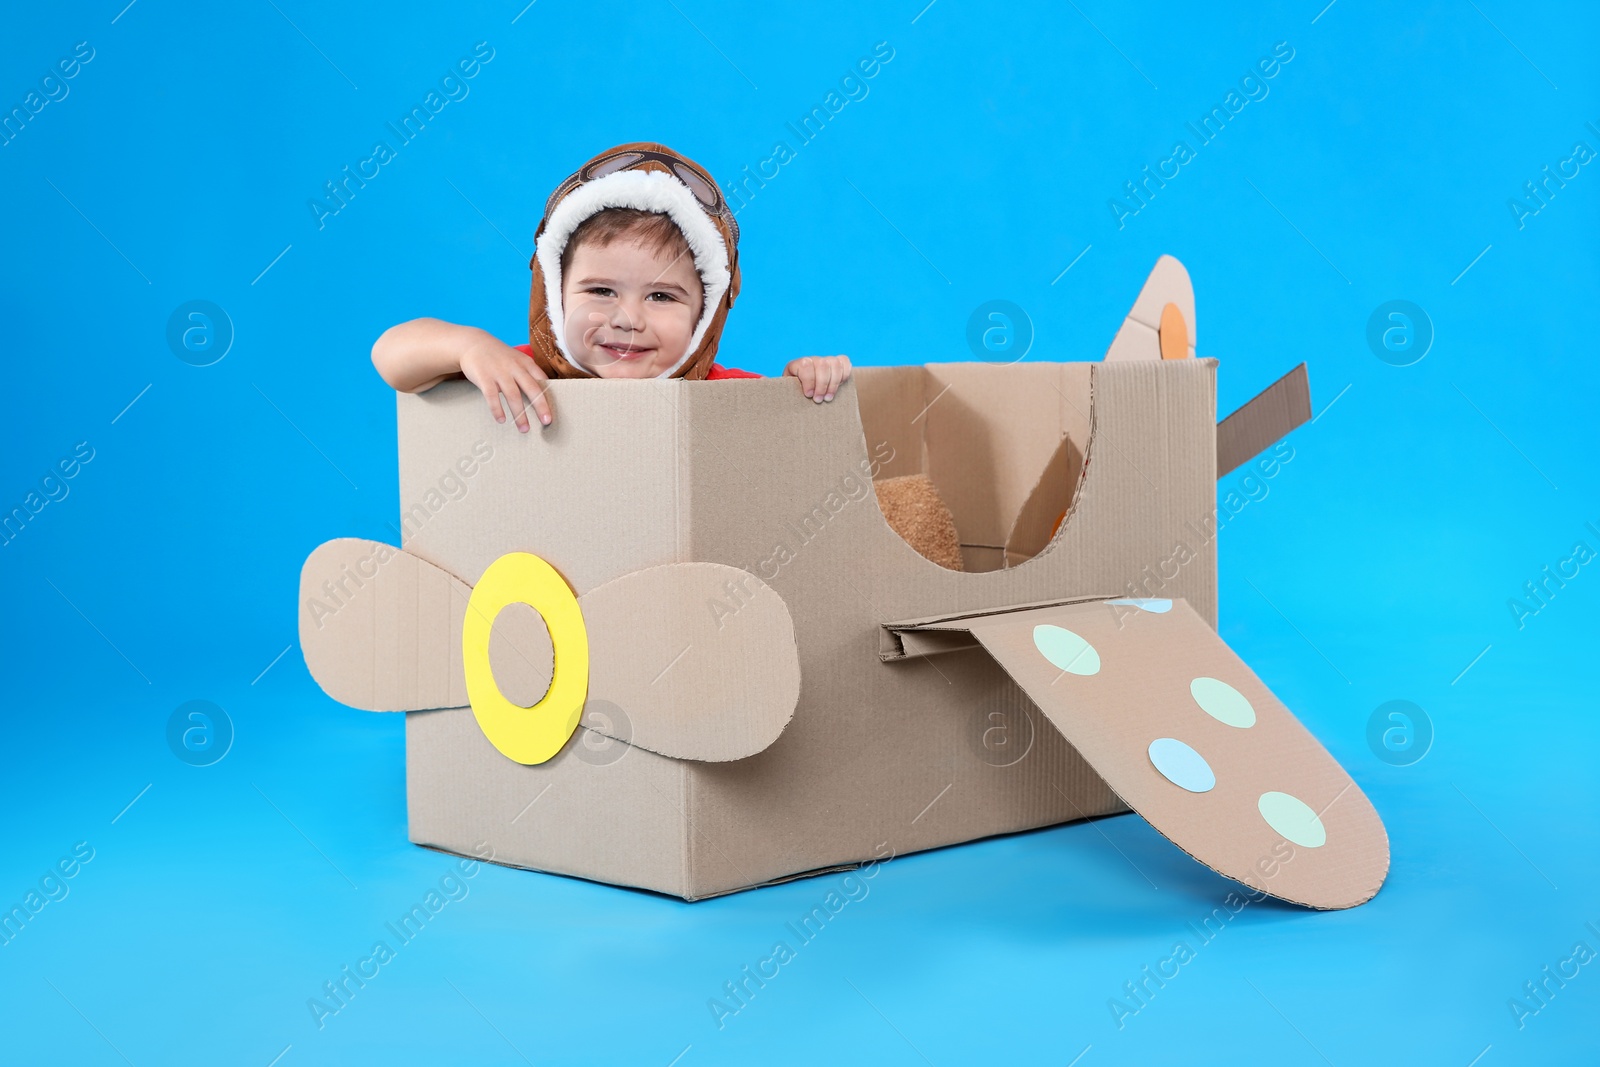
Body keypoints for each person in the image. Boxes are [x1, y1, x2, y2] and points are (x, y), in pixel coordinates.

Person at [371, 142, 852, 430]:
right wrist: (468, 347)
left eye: (661, 296)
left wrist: (808, 383)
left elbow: (798, 444)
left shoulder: (723, 396)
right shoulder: (524, 376)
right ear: (555, 298)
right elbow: (391, 357)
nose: (627, 319)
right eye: (600, 291)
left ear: (706, 316)